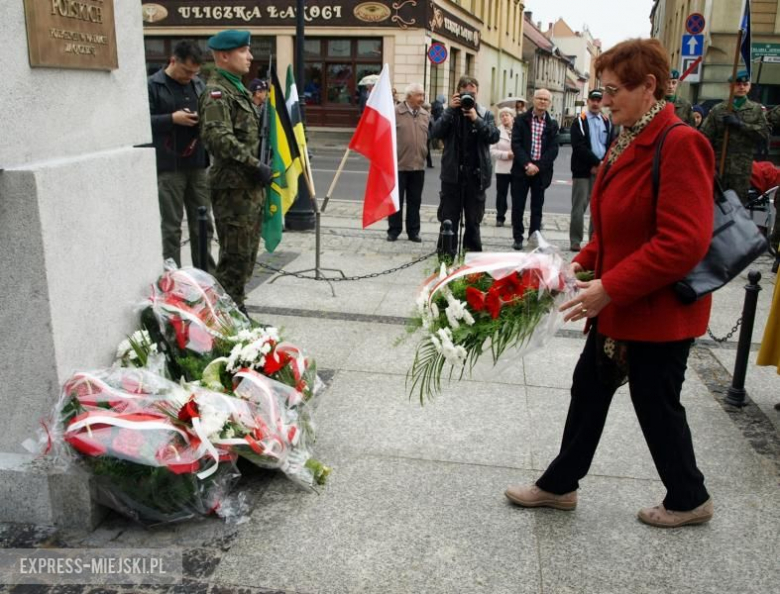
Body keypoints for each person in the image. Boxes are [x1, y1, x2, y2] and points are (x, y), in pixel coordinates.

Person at [505, 38, 716, 528]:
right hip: (620, 305)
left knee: (655, 401)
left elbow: (683, 242)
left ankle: (689, 497)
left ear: (649, 86)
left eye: (614, 89)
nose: (603, 100)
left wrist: (610, 287)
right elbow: (611, 225)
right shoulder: (626, 135)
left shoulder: (680, 141)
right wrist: (577, 267)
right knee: (589, 388)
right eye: (600, 90)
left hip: (657, 311)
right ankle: (560, 485)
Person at [198, 30, 272, 314]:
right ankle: (226, 322)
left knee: (247, 258)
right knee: (234, 259)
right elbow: (217, 137)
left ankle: (236, 314)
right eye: (244, 51)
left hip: (248, 188)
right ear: (224, 56)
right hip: (233, 189)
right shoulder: (217, 92)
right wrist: (256, 165)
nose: (250, 57)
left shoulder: (238, 89)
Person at [148, 40, 216, 272]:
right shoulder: (153, 85)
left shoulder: (198, 84)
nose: (190, 76)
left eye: (195, 72)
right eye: (186, 71)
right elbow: (141, 122)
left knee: (204, 223)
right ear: (173, 60)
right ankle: (173, 276)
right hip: (169, 166)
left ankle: (206, 274)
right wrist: (172, 119)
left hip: (197, 162)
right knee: (171, 226)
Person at [431, 75, 499, 259]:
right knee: (448, 220)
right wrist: (449, 112)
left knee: (473, 223)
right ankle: (445, 259)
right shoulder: (450, 113)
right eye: (465, 94)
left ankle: (472, 263)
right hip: (452, 177)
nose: (469, 98)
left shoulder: (485, 113)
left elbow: (494, 136)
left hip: (476, 178)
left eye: (473, 94)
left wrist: (476, 119)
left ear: (477, 94)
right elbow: (435, 132)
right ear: (458, 93)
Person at [700, 70, 769, 204]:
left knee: (738, 208)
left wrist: (741, 125)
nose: (742, 87)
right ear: (730, 86)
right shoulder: (718, 109)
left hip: (741, 170)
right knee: (715, 206)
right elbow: (704, 138)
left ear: (749, 87)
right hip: (719, 168)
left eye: (745, 84)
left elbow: (763, 134)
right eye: (738, 84)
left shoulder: (756, 110)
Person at [510, 88, 559, 250]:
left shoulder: (552, 124)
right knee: (518, 206)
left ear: (549, 103)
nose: (543, 102)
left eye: (546, 99)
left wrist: (538, 166)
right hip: (521, 169)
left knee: (537, 208)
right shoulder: (521, 120)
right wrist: (527, 164)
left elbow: (553, 149)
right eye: (540, 98)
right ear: (533, 99)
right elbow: (516, 144)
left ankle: (534, 237)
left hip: (541, 171)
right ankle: (518, 237)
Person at [569, 89, 613, 252]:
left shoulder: (607, 121)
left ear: (602, 102)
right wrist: (595, 163)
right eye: (593, 100)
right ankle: (575, 240)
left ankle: (594, 241)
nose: (596, 103)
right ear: (588, 102)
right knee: (578, 207)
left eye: (599, 100)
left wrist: (603, 164)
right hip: (583, 170)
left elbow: (611, 144)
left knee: (597, 208)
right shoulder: (579, 121)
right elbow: (578, 146)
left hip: (601, 170)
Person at [388, 83, 430, 243]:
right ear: (409, 96)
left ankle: (413, 231)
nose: (422, 98)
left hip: (418, 165)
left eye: (422, 95)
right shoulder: (395, 112)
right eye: (419, 95)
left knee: (415, 201)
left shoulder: (425, 115)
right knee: (396, 201)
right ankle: (394, 230)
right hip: (399, 165)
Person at [490, 107, 516, 228]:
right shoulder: (497, 131)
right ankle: (500, 217)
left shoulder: (518, 130)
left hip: (517, 168)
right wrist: (506, 155)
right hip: (502, 168)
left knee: (517, 195)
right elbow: (492, 151)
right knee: (501, 194)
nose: (505, 117)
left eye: (507, 115)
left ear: (512, 117)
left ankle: (516, 218)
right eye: (502, 116)